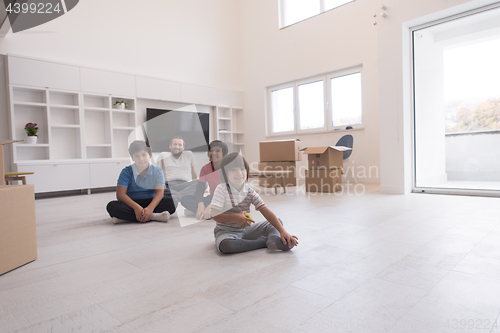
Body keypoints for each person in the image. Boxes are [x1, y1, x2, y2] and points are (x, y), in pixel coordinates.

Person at [211, 152, 299, 254]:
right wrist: (235, 217)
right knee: (226, 246)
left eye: (242, 169)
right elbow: (216, 216)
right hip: (226, 231)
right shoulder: (221, 189)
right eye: (233, 170)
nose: (239, 173)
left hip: (247, 229)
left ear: (247, 170)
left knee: (276, 221)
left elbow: (266, 212)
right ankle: (262, 242)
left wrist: (282, 231)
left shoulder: (249, 191)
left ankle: (274, 239)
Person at [106, 140, 175, 222]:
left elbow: (160, 193)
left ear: (150, 155)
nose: (141, 159)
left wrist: (150, 208)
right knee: (111, 206)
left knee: (172, 202)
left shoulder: (157, 171)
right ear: (132, 158)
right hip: (132, 203)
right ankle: (153, 216)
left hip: (151, 202)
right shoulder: (126, 171)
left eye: (143, 155)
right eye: (137, 156)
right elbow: (120, 195)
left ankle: (126, 218)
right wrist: (136, 207)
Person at [181, 140, 228, 219]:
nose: (213, 153)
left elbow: (228, 192)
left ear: (224, 154)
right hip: (211, 198)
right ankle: (207, 212)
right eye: (211, 150)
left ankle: (199, 212)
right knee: (184, 199)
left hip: (225, 198)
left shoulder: (228, 168)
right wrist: (200, 204)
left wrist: (211, 206)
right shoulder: (205, 168)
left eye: (217, 151)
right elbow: (199, 189)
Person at [156, 136, 198, 207]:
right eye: (175, 144)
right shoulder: (163, 155)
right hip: (169, 185)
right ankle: (181, 196)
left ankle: (175, 196)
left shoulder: (189, 154)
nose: (177, 147)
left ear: (183, 147)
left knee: (202, 183)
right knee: (159, 188)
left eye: (180, 145)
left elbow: (193, 172)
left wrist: (199, 186)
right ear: (170, 146)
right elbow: (157, 174)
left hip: (185, 185)